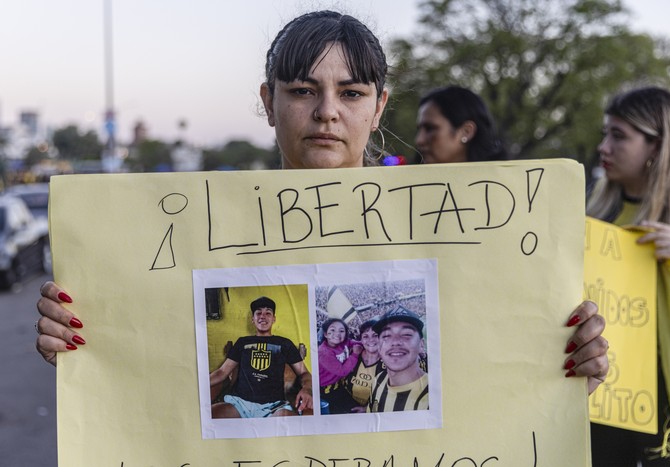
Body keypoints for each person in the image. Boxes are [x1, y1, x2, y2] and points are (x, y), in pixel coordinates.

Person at [34, 9, 607, 407]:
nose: (328, 111)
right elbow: (160, 380)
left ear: (379, 106)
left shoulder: (457, 235)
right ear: (268, 101)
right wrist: (92, 350)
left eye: (352, 93)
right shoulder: (195, 240)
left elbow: (487, 382)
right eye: (303, 90)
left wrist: (561, 372)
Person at [587, 86, 670, 466]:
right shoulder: (595, 212)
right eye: (605, 133)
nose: (604, 146)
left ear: (657, 145)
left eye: (619, 136)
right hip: (603, 399)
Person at [208, 296, 312, 418]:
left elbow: (304, 373)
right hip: (239, 403)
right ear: (253, 319)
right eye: (258, 313)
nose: (263, 316)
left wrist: (308, 388)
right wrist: (201, 384)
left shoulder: (285, 343)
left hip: (274, 406)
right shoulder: (242, 342)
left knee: (290, 423)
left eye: (268, 313)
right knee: (210, 415)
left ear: (274, 319)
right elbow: (222, 372)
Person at [415, 85, 509, 164]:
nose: (419, 140)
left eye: (430, 128)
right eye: (419, 129)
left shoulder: (510, 183)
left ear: (466, 132)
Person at [368, 306, 428, 412]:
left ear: (421, 345)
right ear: (379, 346)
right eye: (386, 336)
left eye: (406, 334)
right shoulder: (378, 380)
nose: (395, 342)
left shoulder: (434, 397)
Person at [317, 317, 361, 414]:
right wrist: (355, 354)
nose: (337, 334)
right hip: (327, 391)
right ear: (325, 334)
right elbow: (342, 371)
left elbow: (351, 342)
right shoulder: (324, 352)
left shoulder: (343, 342)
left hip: (338, 385)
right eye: (332, 330)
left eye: (341, 331)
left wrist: (365, 344)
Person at [345, 318, 383, 412]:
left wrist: (367, 409)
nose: (371, 340)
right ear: (361, 339)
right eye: (365, 336)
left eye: (375, 335)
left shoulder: (390, 362)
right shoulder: (351, 354)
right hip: (345, 403)